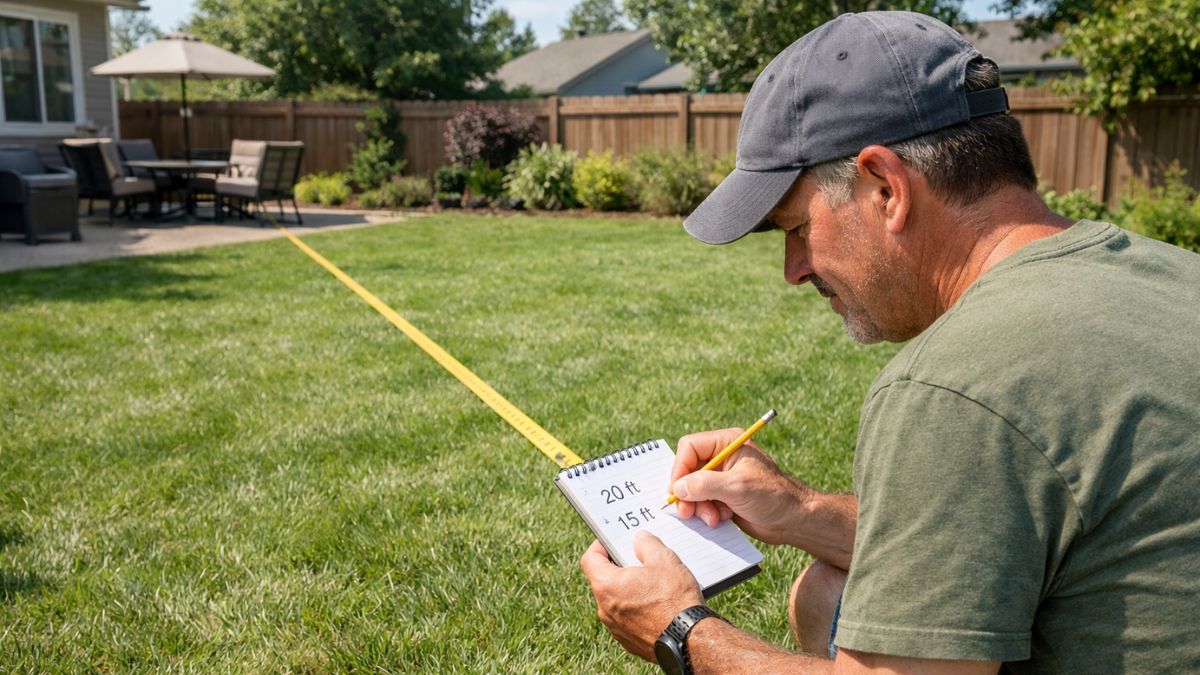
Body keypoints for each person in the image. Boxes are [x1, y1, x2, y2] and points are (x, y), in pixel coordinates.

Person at [579, 10, 1200, 674]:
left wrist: (682, 630)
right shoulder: (1169, 272)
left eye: (795, 227)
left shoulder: (957, 386)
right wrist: (801, 511)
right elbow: (1000, 530)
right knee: (831, 587)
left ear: (885, 187)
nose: (793, 271)